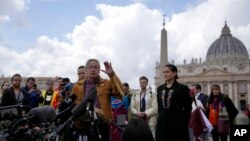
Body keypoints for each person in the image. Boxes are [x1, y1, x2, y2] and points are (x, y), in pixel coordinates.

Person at [70, 59, 124, 141]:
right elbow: (72, 104)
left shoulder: (107, 83)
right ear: (86, 70)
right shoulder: (77, 86)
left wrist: (112, 75)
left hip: (103, 124)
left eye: (96, 67)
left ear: (99, 70)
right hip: (83, 125)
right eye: (90, 67)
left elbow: (120, 94)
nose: (93, 69)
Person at [155, 64, 192, 141]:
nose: (165, 74)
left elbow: (188, 108)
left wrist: (184, 122)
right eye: (164, 72)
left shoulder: (182, 88)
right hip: (162, 124)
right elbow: (159, 107)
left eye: (167, 72)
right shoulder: (160, 88)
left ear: (174, 73)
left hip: (177, 124)